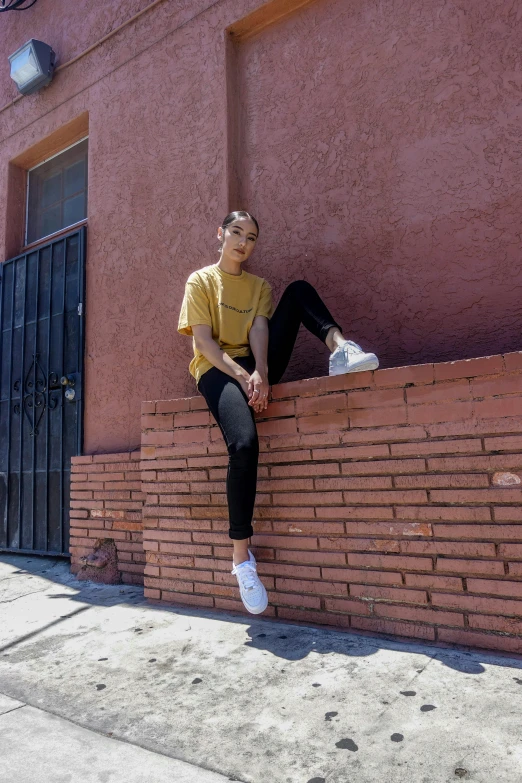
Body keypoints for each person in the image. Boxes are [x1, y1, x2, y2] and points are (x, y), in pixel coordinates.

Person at [178, 211, 379, 615]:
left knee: (299, 290)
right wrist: (243, 376)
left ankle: (341, 349)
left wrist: (263, 374)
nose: (243, 243)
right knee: (245, 444)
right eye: (236, 233)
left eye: (251, 237)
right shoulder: (201, 281)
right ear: (220, 234)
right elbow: (203, 344)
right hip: (216, 369)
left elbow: (259, 332)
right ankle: (241, 560)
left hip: (255, 364)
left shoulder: (258, 287)